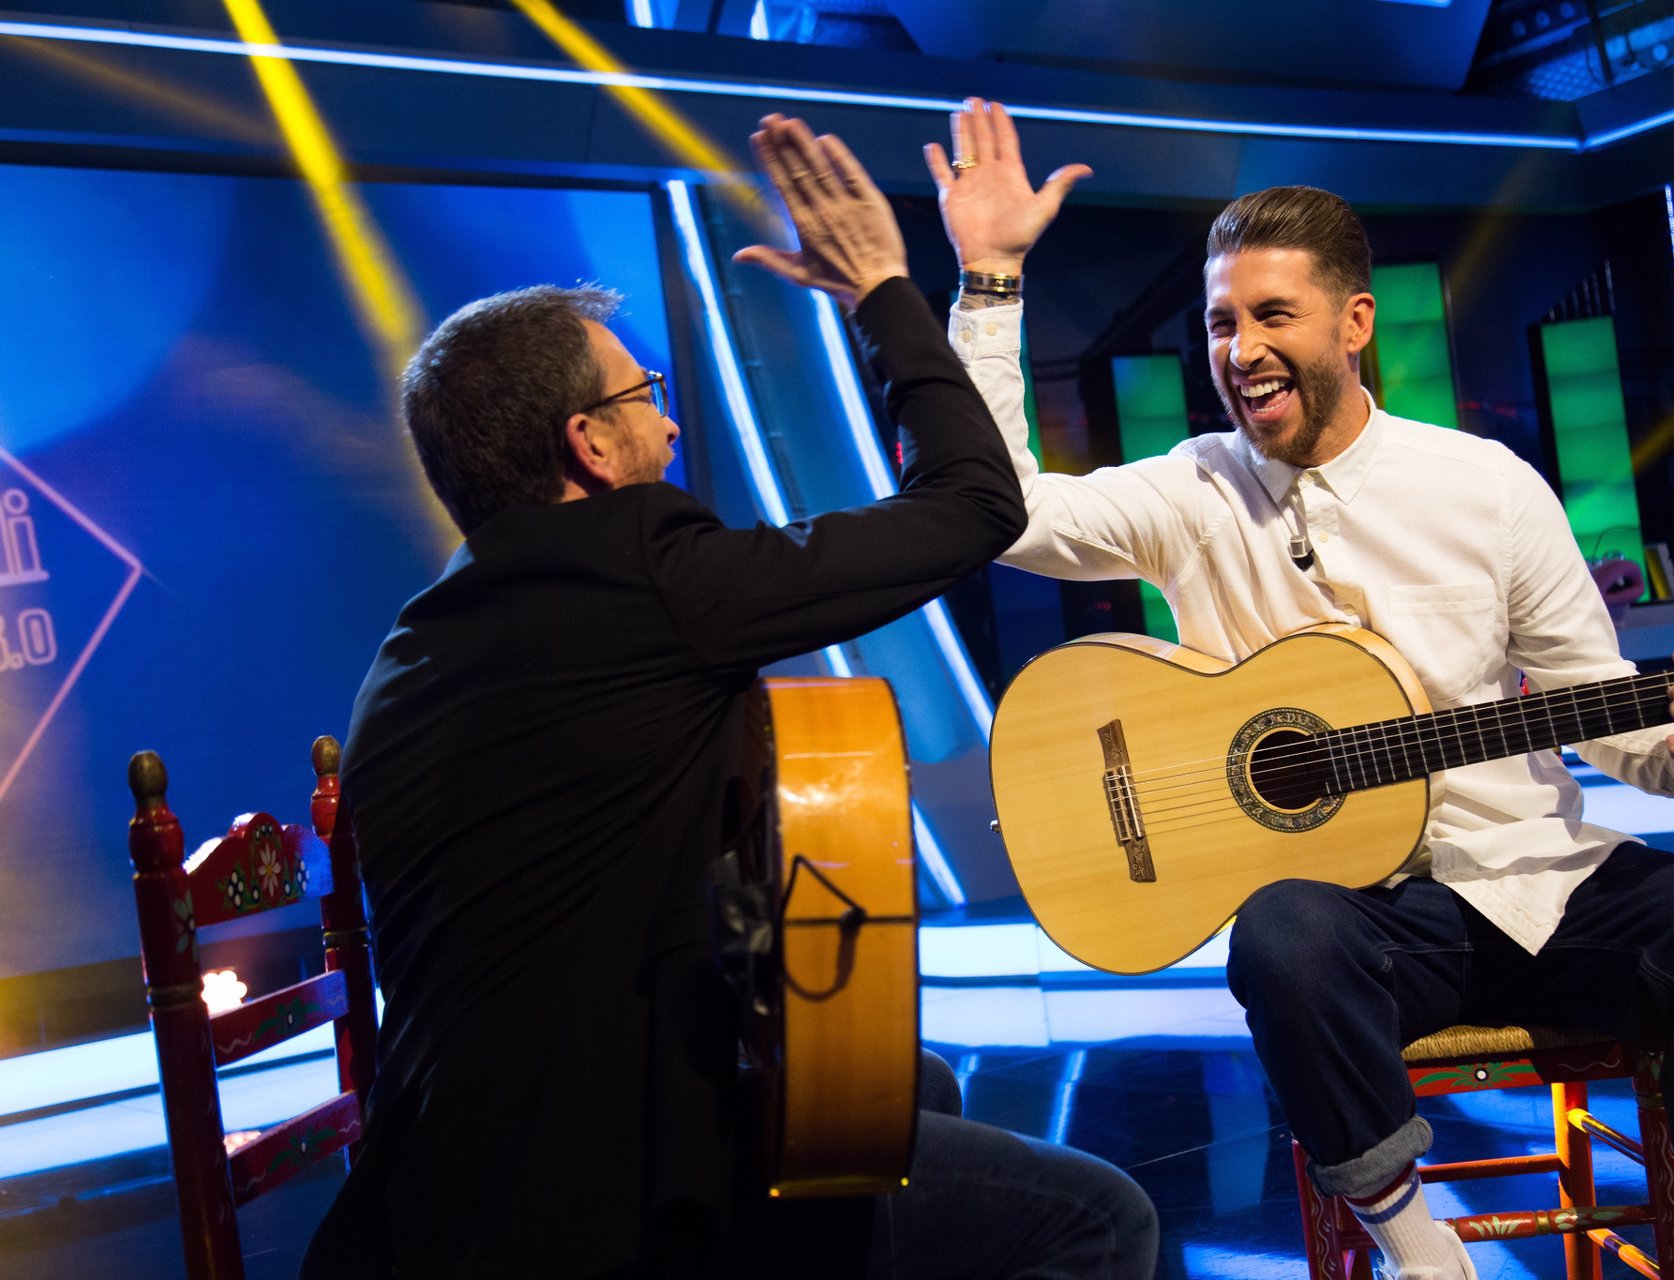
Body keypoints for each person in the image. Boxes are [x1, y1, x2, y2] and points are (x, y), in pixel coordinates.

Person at [929, 98, 1674, 1279]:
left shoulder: (1486, 486)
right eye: (1220, 322)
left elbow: (1594, 700)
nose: (1239, 349)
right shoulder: (1191, 489)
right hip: (1370, 928)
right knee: (1282, 930)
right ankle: (1422, 1251)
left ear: (1354, 322)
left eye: (1271, 315)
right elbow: (1005, 511)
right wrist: (990, 283)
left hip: (1535, 883)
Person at [301, 114, 1157, 1279]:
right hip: (610, 1197)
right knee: (1100, 1217)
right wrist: (884, 290)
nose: (668, 416)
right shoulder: (644, 567)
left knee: (917, 1087)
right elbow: (976, 505)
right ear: (590, 447)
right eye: (643, 392)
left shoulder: (423, 636)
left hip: (442, 1187)